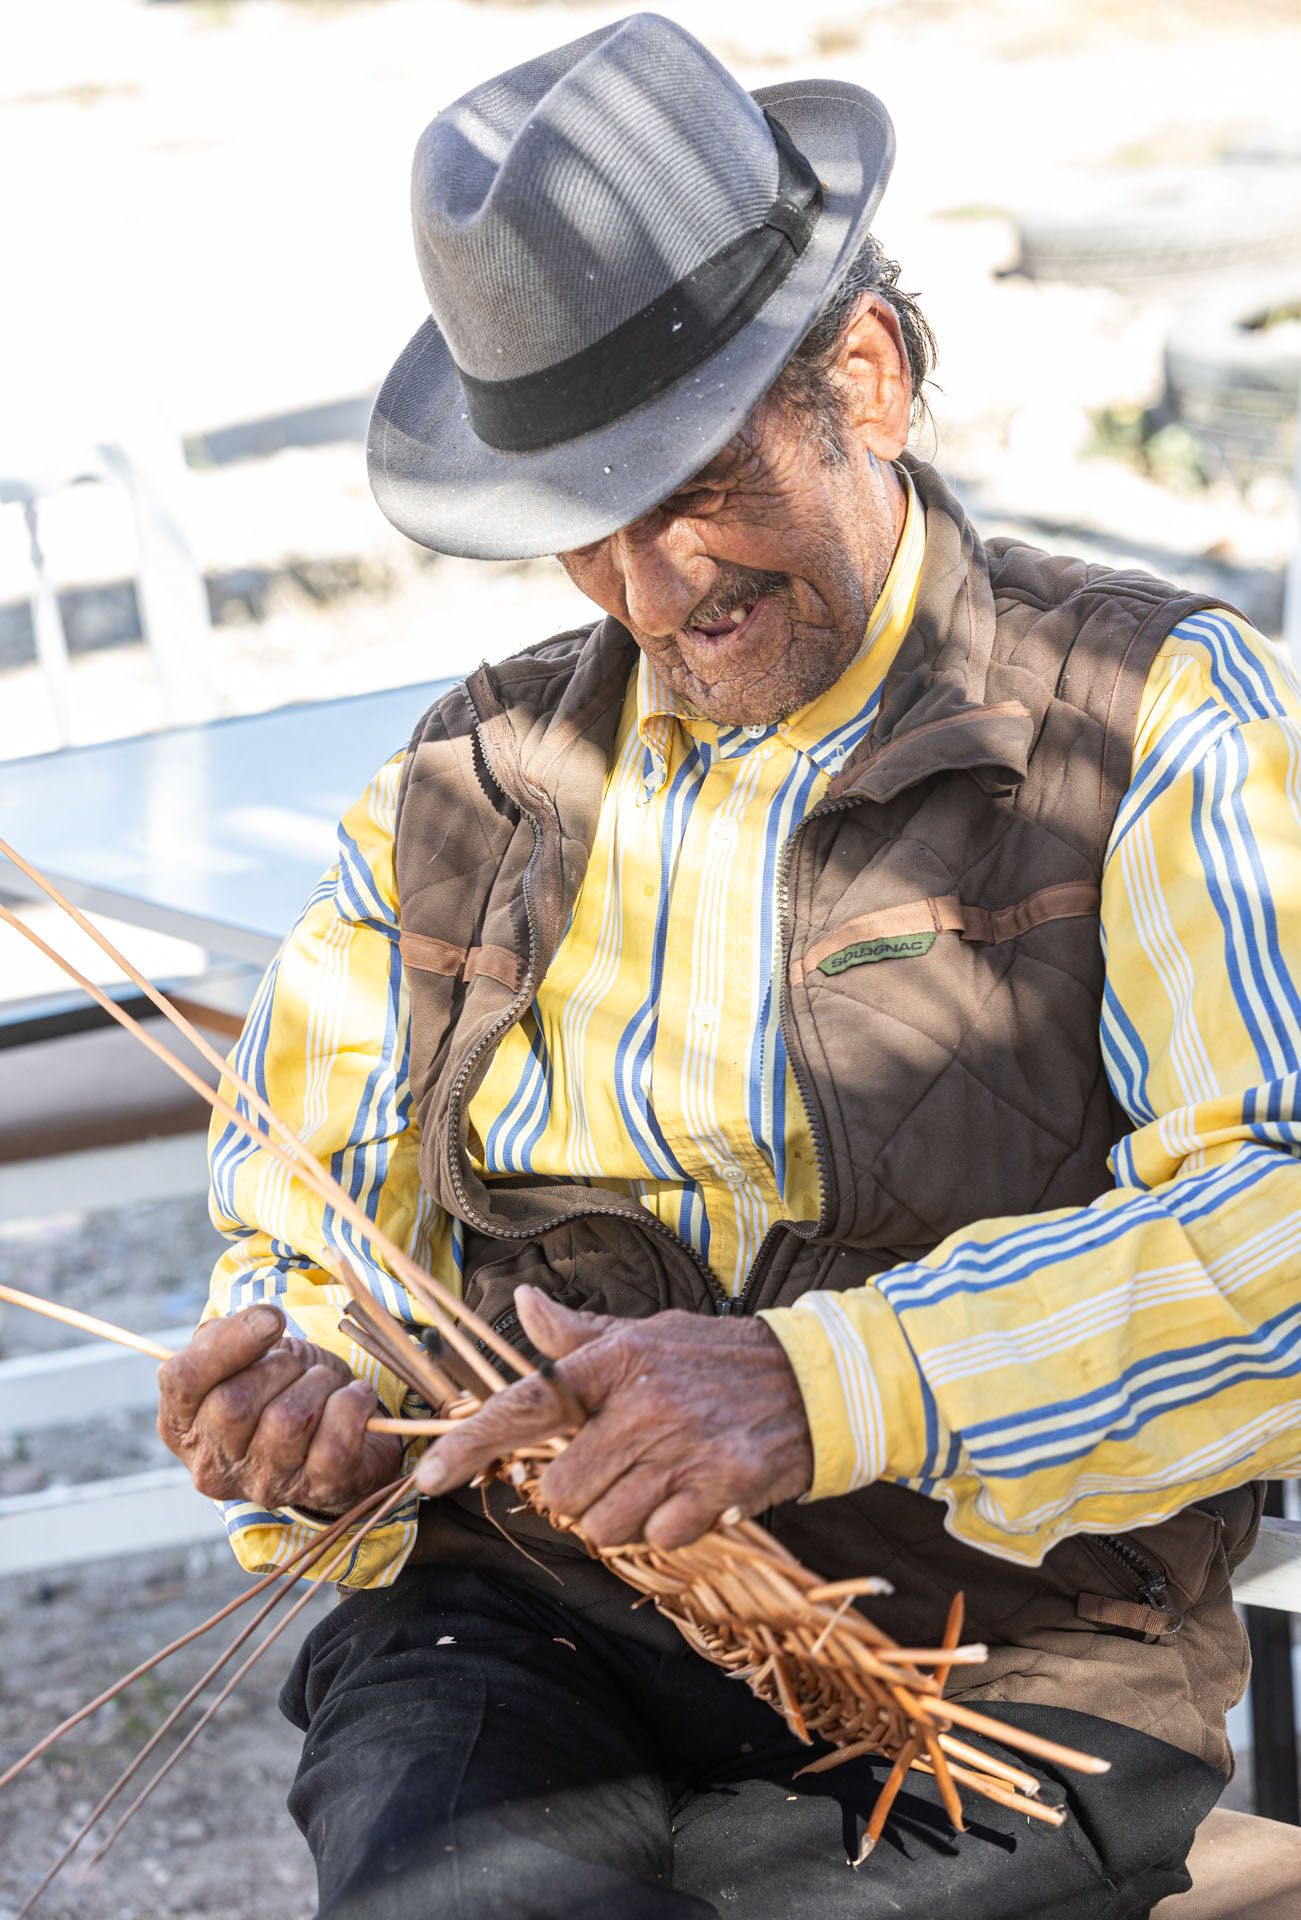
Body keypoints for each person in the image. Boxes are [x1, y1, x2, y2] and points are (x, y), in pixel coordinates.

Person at [158, 16, 1301, 1918]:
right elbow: (321, 1237)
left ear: (864, 375)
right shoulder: (459, 788)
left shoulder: (1142, 714)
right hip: (525, 1621)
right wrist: (312, 1386)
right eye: (578, 532)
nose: (650, 587)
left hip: (1003, 1657)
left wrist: (824, 1380)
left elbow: (1284, 1220)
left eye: (692, 487)